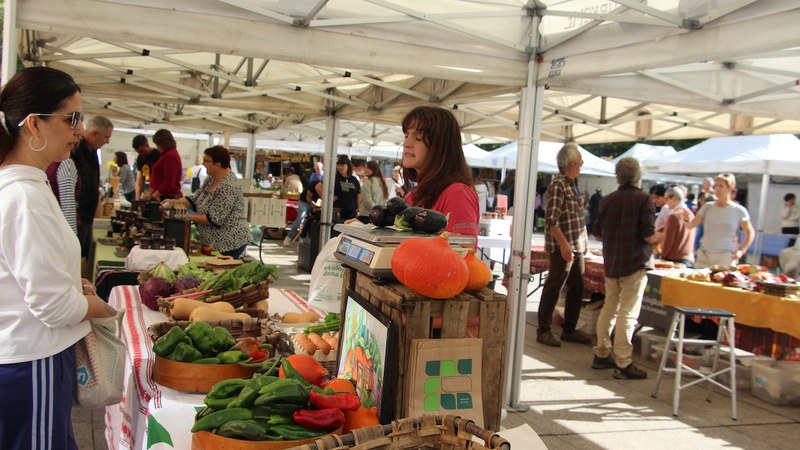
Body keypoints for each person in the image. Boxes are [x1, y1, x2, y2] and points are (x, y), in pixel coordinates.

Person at [0, 66, 113, 450]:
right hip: (33, 359)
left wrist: (71, 286)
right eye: (71, 119)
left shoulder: (29, 186)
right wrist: (99, 307)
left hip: (29, 356)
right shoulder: (25, 198)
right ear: (34, 125)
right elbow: (53, 307)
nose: (79, 130)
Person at [591, 157, 663, 380]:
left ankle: (602, 353)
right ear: (637, 175)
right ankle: (623, 361)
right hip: (633, 263)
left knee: (609, 309)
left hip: (612, 262)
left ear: (618, 175)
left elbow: (598, 232)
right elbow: (648, 234)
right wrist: (664, 234)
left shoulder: (607, 200)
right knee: (628, 314)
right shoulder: (643, 199)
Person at [536, 143, 591, 347]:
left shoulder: (571, 184)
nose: (582, 163)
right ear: (571, 162)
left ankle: (570, 329)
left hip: (575, 246)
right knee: (554, 286)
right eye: (580, 159)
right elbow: (551, 220)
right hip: (564, 247)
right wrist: (564, 245)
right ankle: (543, 329)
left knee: (577, 287)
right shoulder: (559, 185)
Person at [400, 106, 479, 238]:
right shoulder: (412, 197)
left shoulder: (457, 195)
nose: (406, 143)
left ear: (441, 146)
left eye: (418, 137)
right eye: (406, 135)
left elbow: (461, 253)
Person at [162, 146, 250, 259]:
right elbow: (194, 199)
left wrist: (186, 215)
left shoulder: (229, 186)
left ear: (217, 165)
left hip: (229, 242)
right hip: (212, 241)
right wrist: (173, 203)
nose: (203, 163)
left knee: (219, 271)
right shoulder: (212, 178)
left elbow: (214, 219)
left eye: (206, 161)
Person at [686, 173, 755, 268]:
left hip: (725, 257)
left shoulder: (739, 210)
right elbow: (691, 225)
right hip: (704, 256)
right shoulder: (707, 207)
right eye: (715, 186)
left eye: (721, 186)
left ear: (730, 187)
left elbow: (750, 232)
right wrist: (686, 218)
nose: (717, 189)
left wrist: (741, 251)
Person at [73, 115, 113, 261]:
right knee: (75, 256)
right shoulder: (76, 150)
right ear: (95, 133)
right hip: (78, 216)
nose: (107, 141)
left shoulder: (91, 151)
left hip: (85, 216)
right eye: (106, 137)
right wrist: (76, 213)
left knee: (81, 256)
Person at [660, 186, 695, 266]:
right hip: (687, 259)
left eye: (666, 198)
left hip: (673, 260)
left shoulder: (674, 216)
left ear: (674, 199)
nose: (665, 202)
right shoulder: (691, 214)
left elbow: (669, 239)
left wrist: (663, 255)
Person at [45, 152, 79, 233]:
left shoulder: (43, 163)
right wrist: (71, 238)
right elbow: (68, 207)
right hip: (58, 229)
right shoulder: (66, 163)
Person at [149, 128, 183, 200]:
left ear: (162, 143)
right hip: (163, 196)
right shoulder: (167, 154)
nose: (157, 147)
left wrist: (155, 195)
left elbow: (169, 181)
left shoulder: (170, 156)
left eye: (157, 144)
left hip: (167, 197)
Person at [332, 155, 361, 222]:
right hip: (337, 211)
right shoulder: (334, 178)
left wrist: (358, 209)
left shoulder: (354, 179)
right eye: (338, 165)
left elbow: (358, 195)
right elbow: (319, 186)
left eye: (342, 165)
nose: (340, 167)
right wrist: (329, 198)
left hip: (352, 211)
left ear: (348, 166)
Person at [132, 134, 159, 200]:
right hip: (147, 189)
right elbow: (139, 180)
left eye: (141, 151)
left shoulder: (157, 155)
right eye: (138, 152)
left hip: (157, 191)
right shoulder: (140, 158)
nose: (140, 154)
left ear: (146, 145)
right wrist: (137, 198)